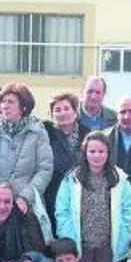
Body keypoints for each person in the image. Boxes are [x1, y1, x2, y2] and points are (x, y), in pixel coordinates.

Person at [54, 130, 131, 262]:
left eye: (101, 151)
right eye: (92, 151)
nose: (96, 155)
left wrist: (124, 238)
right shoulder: (72, 179)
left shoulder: (119, 179)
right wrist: (69, 239)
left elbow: (127, 212)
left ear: (108, 153)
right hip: (81, 242)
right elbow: (62, 210)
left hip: (108, 243)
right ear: (85, 153)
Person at [0, 82, 54, 222]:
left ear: (23, 106)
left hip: (27, 206)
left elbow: (45, 169)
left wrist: (25, 197)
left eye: (11, 102)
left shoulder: (38, 131)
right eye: (3, 101)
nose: (5, 106)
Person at [43, 92, 91, 226]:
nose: (62, 113)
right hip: (52, 195)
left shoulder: (88, 135)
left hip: (82, 196)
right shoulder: (45, 135)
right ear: (51, 115)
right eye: (57, 110)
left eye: (66, 108)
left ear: (75, 112)